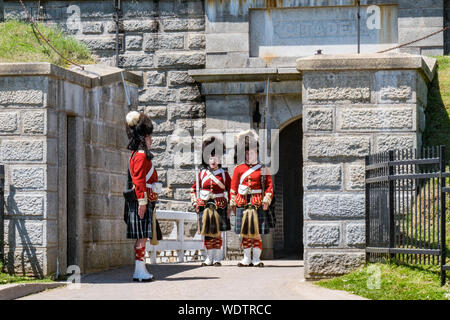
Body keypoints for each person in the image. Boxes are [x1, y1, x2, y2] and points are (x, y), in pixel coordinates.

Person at [125, 111, 162, 281]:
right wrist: (142, 202)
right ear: (142, 137)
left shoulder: (137, 155)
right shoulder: (140, 156)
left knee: (143, 237)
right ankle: (139, 270)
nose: (151, 139)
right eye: (148, 136)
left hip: (145, 198)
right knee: (142, 238)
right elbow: (139, 181)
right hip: (143, 199)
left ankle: (140, 269)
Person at [229, 129, 273, 267]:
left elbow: (269, 186)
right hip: (242, 203)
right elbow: (233, 188)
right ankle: (246, 258)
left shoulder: (262, 169)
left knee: (256, 233)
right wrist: (233, 202)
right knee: (245, 233)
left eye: (252, 153)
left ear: (257, 153)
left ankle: (256, 259)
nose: (249, 156)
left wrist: (266, 199)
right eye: (247, 153)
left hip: (257, 203)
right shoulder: (238, 169)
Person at [190, 136, 231, 266]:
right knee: (208, 233)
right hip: (205, 205)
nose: (213, 160)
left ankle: (217, 258)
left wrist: (230, 206)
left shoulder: (224, 174)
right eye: (210, 157)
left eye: (216, 157)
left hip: (220, 205)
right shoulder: (202, 174)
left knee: (217, 233)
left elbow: (231, 190)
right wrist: (195, 202)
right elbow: (193, 190)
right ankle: (209, 258)